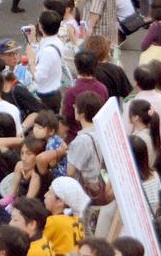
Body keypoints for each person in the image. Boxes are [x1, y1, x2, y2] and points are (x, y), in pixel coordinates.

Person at [67, 93, 113, 236]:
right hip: (105, 188)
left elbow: (70, 173)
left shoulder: (81, 141)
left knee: (86, 235)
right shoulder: (106, 131)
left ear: (81, 113)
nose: (74, 107)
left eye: (76, 106)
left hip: (87, 195)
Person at [62, 51, 109, 141]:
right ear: (95, 66)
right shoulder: (102, 88)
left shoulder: (71, 92)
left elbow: (67, 117)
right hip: (97, 134)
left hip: (75, 136)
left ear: (76, 67)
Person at [26, 10, 65, 112]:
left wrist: (31, 60)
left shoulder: (48, 51)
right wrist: (32, 40)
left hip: (46, 97)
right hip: (53, 91)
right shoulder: (56, 42)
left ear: (41, 26)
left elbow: (38, 77)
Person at [42, 177, 88, 254]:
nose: (45, 195)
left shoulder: (54, 221)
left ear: (60, 201)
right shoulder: (77, 220)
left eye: (49, 192)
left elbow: (36, 245)